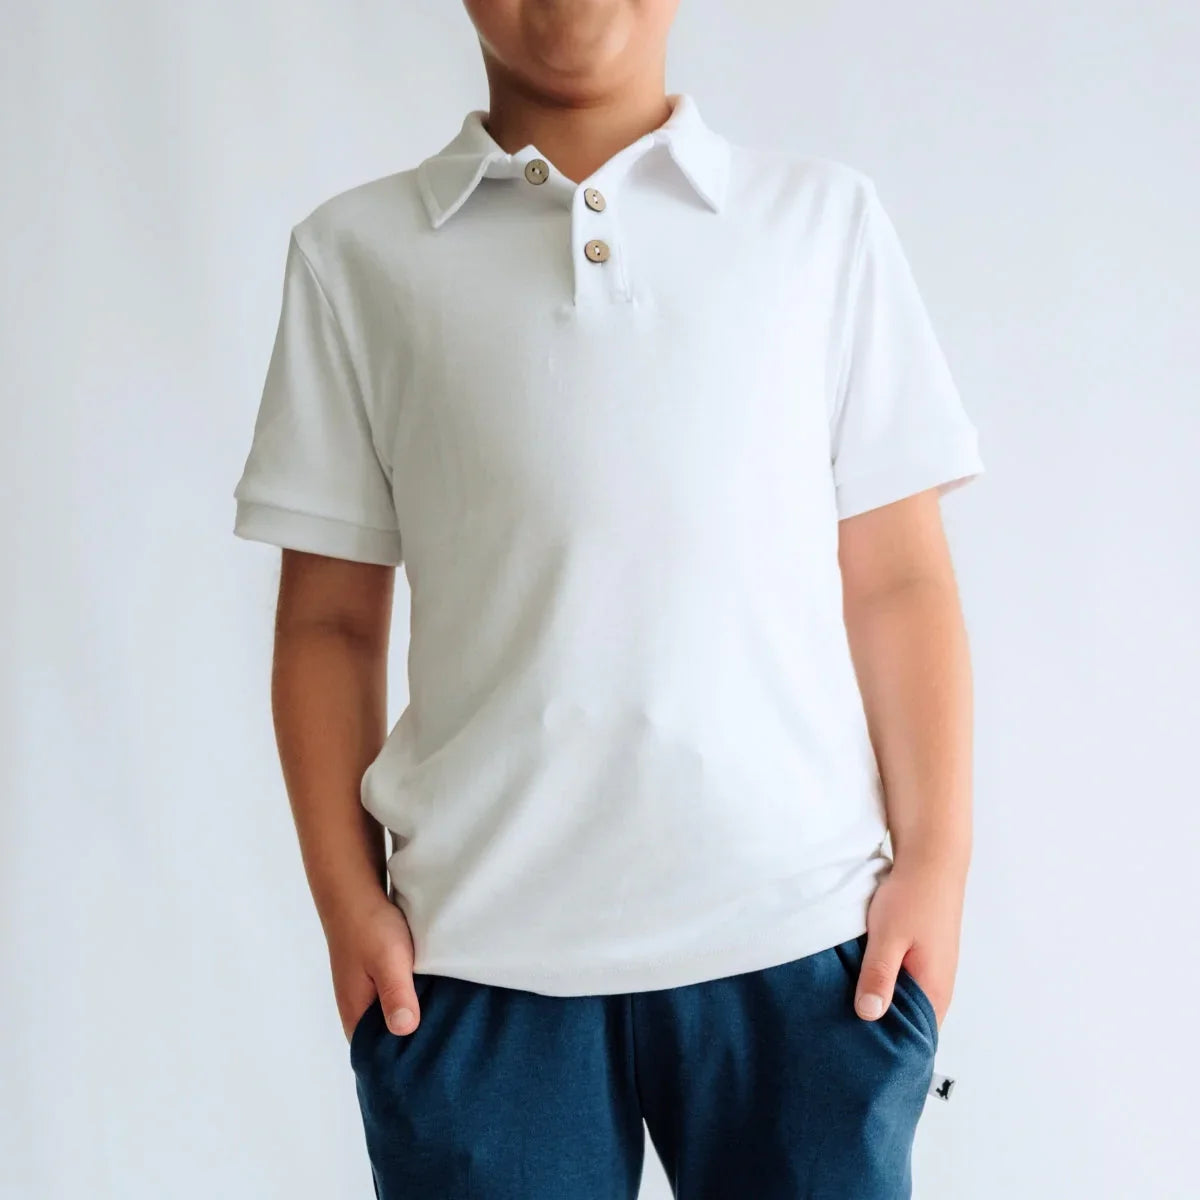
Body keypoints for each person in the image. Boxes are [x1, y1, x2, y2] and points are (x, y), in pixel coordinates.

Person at [232, 2, 984, 1196]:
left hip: (804, 953)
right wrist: (346, 904)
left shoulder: (818, 226)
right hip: (472, 965)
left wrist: (936, 863)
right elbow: (328, 623)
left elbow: (897, 578)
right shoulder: (358, 255)